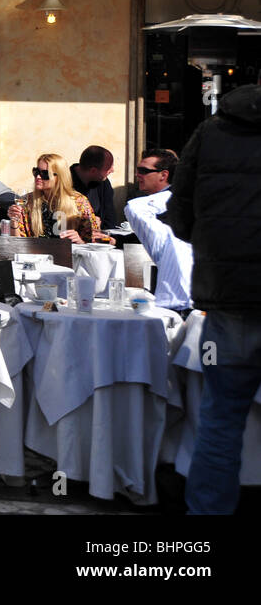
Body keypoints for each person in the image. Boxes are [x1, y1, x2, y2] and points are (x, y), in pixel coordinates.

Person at [164, 81, 261, 514]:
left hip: (228, 297)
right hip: (229, 298)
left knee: (221, 420)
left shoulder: (214, 130)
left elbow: (180, 215)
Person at [124, 148, 191, 312]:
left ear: (163, 175)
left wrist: (180, 194)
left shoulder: (171, 207)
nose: (137, 175)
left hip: (181, 301)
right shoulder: (161, 207)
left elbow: (134, 208)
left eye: (144, 171)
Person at [8, 153, 107, 243]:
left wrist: (79, 241)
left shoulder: (79, 202)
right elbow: (17, 242)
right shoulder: (28, 201)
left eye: (44, 174)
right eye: (36, 172)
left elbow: (95, 242)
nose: (38, 177)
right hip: (36, 257)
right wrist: (14, 220)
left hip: (70, 258)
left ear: (59, 177)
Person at [70, 144, 120, 228]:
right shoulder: (65, 183)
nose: (112, 170)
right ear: (93, 171)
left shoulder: (103, 183)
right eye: (108, 167)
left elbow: (110, 220)